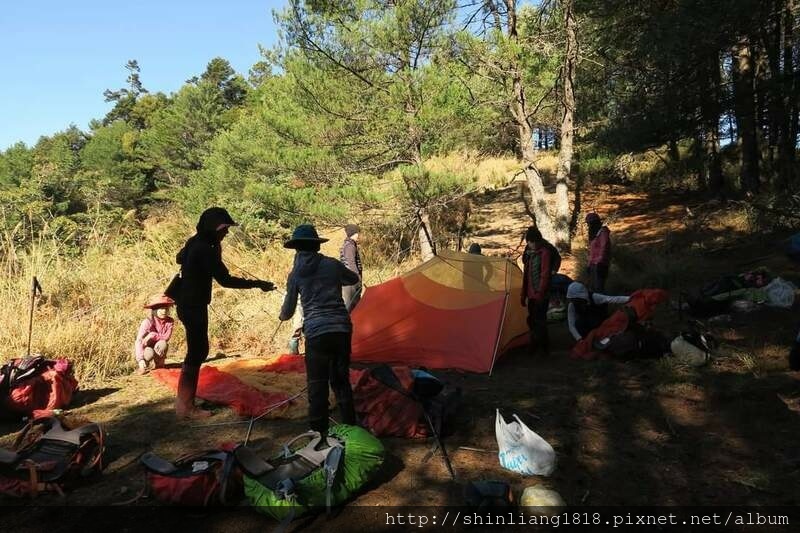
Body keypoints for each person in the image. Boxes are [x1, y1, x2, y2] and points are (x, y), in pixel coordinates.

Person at [173, 207, 275, 419]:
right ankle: (185, 407)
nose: (226, 233)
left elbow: (179, 257)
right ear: (213, 228)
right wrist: (258, 284)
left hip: (187, 302)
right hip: (193, 304)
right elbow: (225, 280)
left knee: (198, 350)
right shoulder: (205, 248)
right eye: (224, 229)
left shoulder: (196, 242)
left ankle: (185, 403)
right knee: (197, 351)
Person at [280, 224, 359, 447]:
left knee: (317, 385)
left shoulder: (295, 274)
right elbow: (352, 279)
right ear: (316, 245)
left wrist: (281, 314)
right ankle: (351, 430)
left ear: (296, 248)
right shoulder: (331, 265)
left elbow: (286, 313)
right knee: (341, 381)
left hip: (316, 333)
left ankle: (318, 437)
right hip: (341, 329)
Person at [521, 227, 552, 355]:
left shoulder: (545, 253)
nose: (531, 244)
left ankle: (543, 348)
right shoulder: (529, 255)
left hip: (541, 295)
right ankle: (534, 345)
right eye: (529, 242)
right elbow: (526, 277)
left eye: (532, 242)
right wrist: (523, 295)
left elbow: (544, 275)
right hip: (531, 294)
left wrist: (540, 292)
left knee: (540, 321)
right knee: (532, 320)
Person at [566, 281, 630, 342]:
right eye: (573, 300)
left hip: (601, 322)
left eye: (577, 299)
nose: (575, 302)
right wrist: (579, 339)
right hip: (587, 327)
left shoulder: (594, 297)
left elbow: (611, 299)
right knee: (579, 324)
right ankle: (588, 340)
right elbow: (572, 325)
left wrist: (630, 298)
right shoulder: (572, 306)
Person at [133, 295, 175, 375]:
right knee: (149, 352)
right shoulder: (147, 322)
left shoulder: (170, 321)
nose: (164, 311)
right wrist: (140, 359)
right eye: (161, 309)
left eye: (166, 309)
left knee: (163, 343)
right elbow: (139, 340)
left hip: (159, 347)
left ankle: (159, 365)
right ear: (155, 310)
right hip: (147, 348)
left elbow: (166, 337)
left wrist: (153, 335)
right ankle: (143, 366)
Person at [586, 212, 612, 291]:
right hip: (593, 264)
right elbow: (592, 252)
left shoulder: (603, 232)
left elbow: (604, 247)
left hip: (600, 264)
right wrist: (589, 264)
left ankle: (602, 303)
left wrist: (599, 261)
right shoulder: (594, 235)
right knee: (592, 288)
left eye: (589, 223)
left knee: (599, 287)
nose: (588, 226)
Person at [340, 224, 363, 311]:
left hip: (349, 279)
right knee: (352, 305)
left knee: (354, 304)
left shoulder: (349, 244)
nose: (359, 235)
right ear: (354, 233)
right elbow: (351, 263)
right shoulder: (350, 246)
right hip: (350, 281)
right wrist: (357, 278)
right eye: (358, 233)